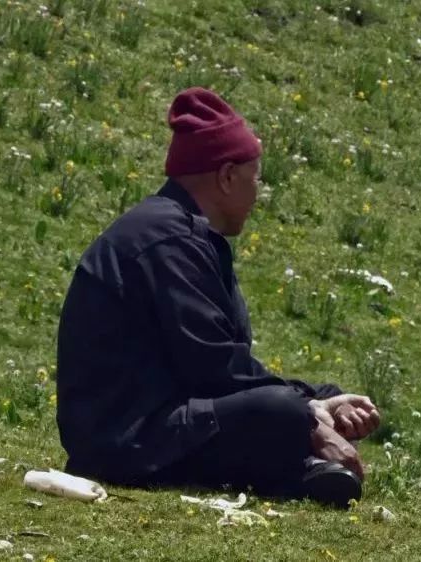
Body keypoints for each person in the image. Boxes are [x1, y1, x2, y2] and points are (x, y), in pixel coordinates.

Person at [55, 87, 379, 509]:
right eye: (255, 177)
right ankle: (297, 469)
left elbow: (216, 370)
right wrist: (307, 414)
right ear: (227, 177)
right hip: (126, 441)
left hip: (151, 426)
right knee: (278, 409)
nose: (258, 193)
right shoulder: (168, 241)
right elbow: (213, 367)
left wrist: (318, 398)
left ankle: (301, 471)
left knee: (286, 407)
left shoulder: (183, 234)